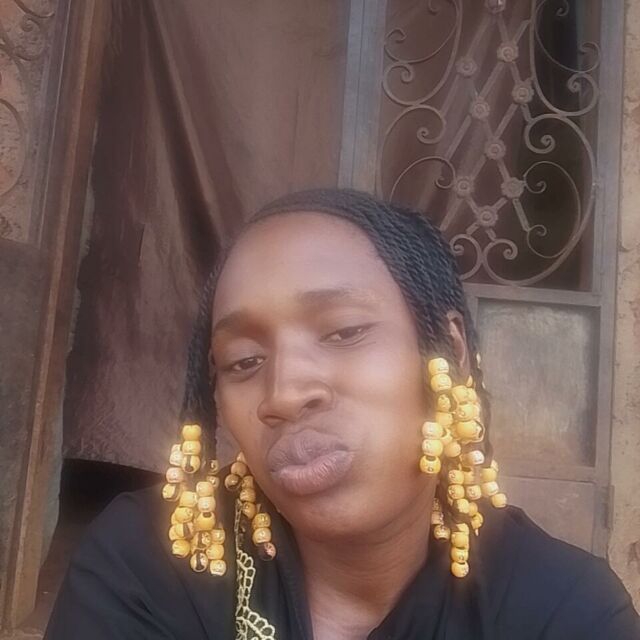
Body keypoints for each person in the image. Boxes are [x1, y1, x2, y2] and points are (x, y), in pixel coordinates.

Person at [45, 190, 639, 639]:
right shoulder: (144, 565)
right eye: (244, 361)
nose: (283, 393)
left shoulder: (565, 612)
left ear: (450, 352)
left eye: (344, 331)